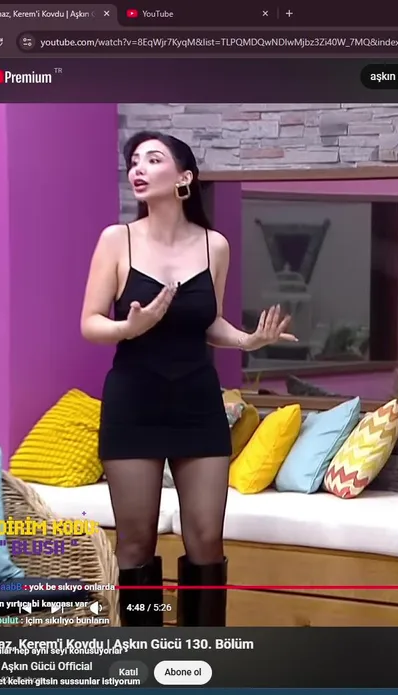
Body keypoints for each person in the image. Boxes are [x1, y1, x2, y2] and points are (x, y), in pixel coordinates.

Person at [80, 131, 294, 626]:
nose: (138, 168)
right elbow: (90, 322)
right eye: (134, 161)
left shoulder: (214, 245)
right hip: (134, 401)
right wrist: (128, 327)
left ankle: (204, 657)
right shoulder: (117, 240)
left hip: (197, 402)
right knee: (136, 543)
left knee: (206, 541)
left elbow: (208, 321)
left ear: (184, 178)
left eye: (153, 159)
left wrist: (247, 341)